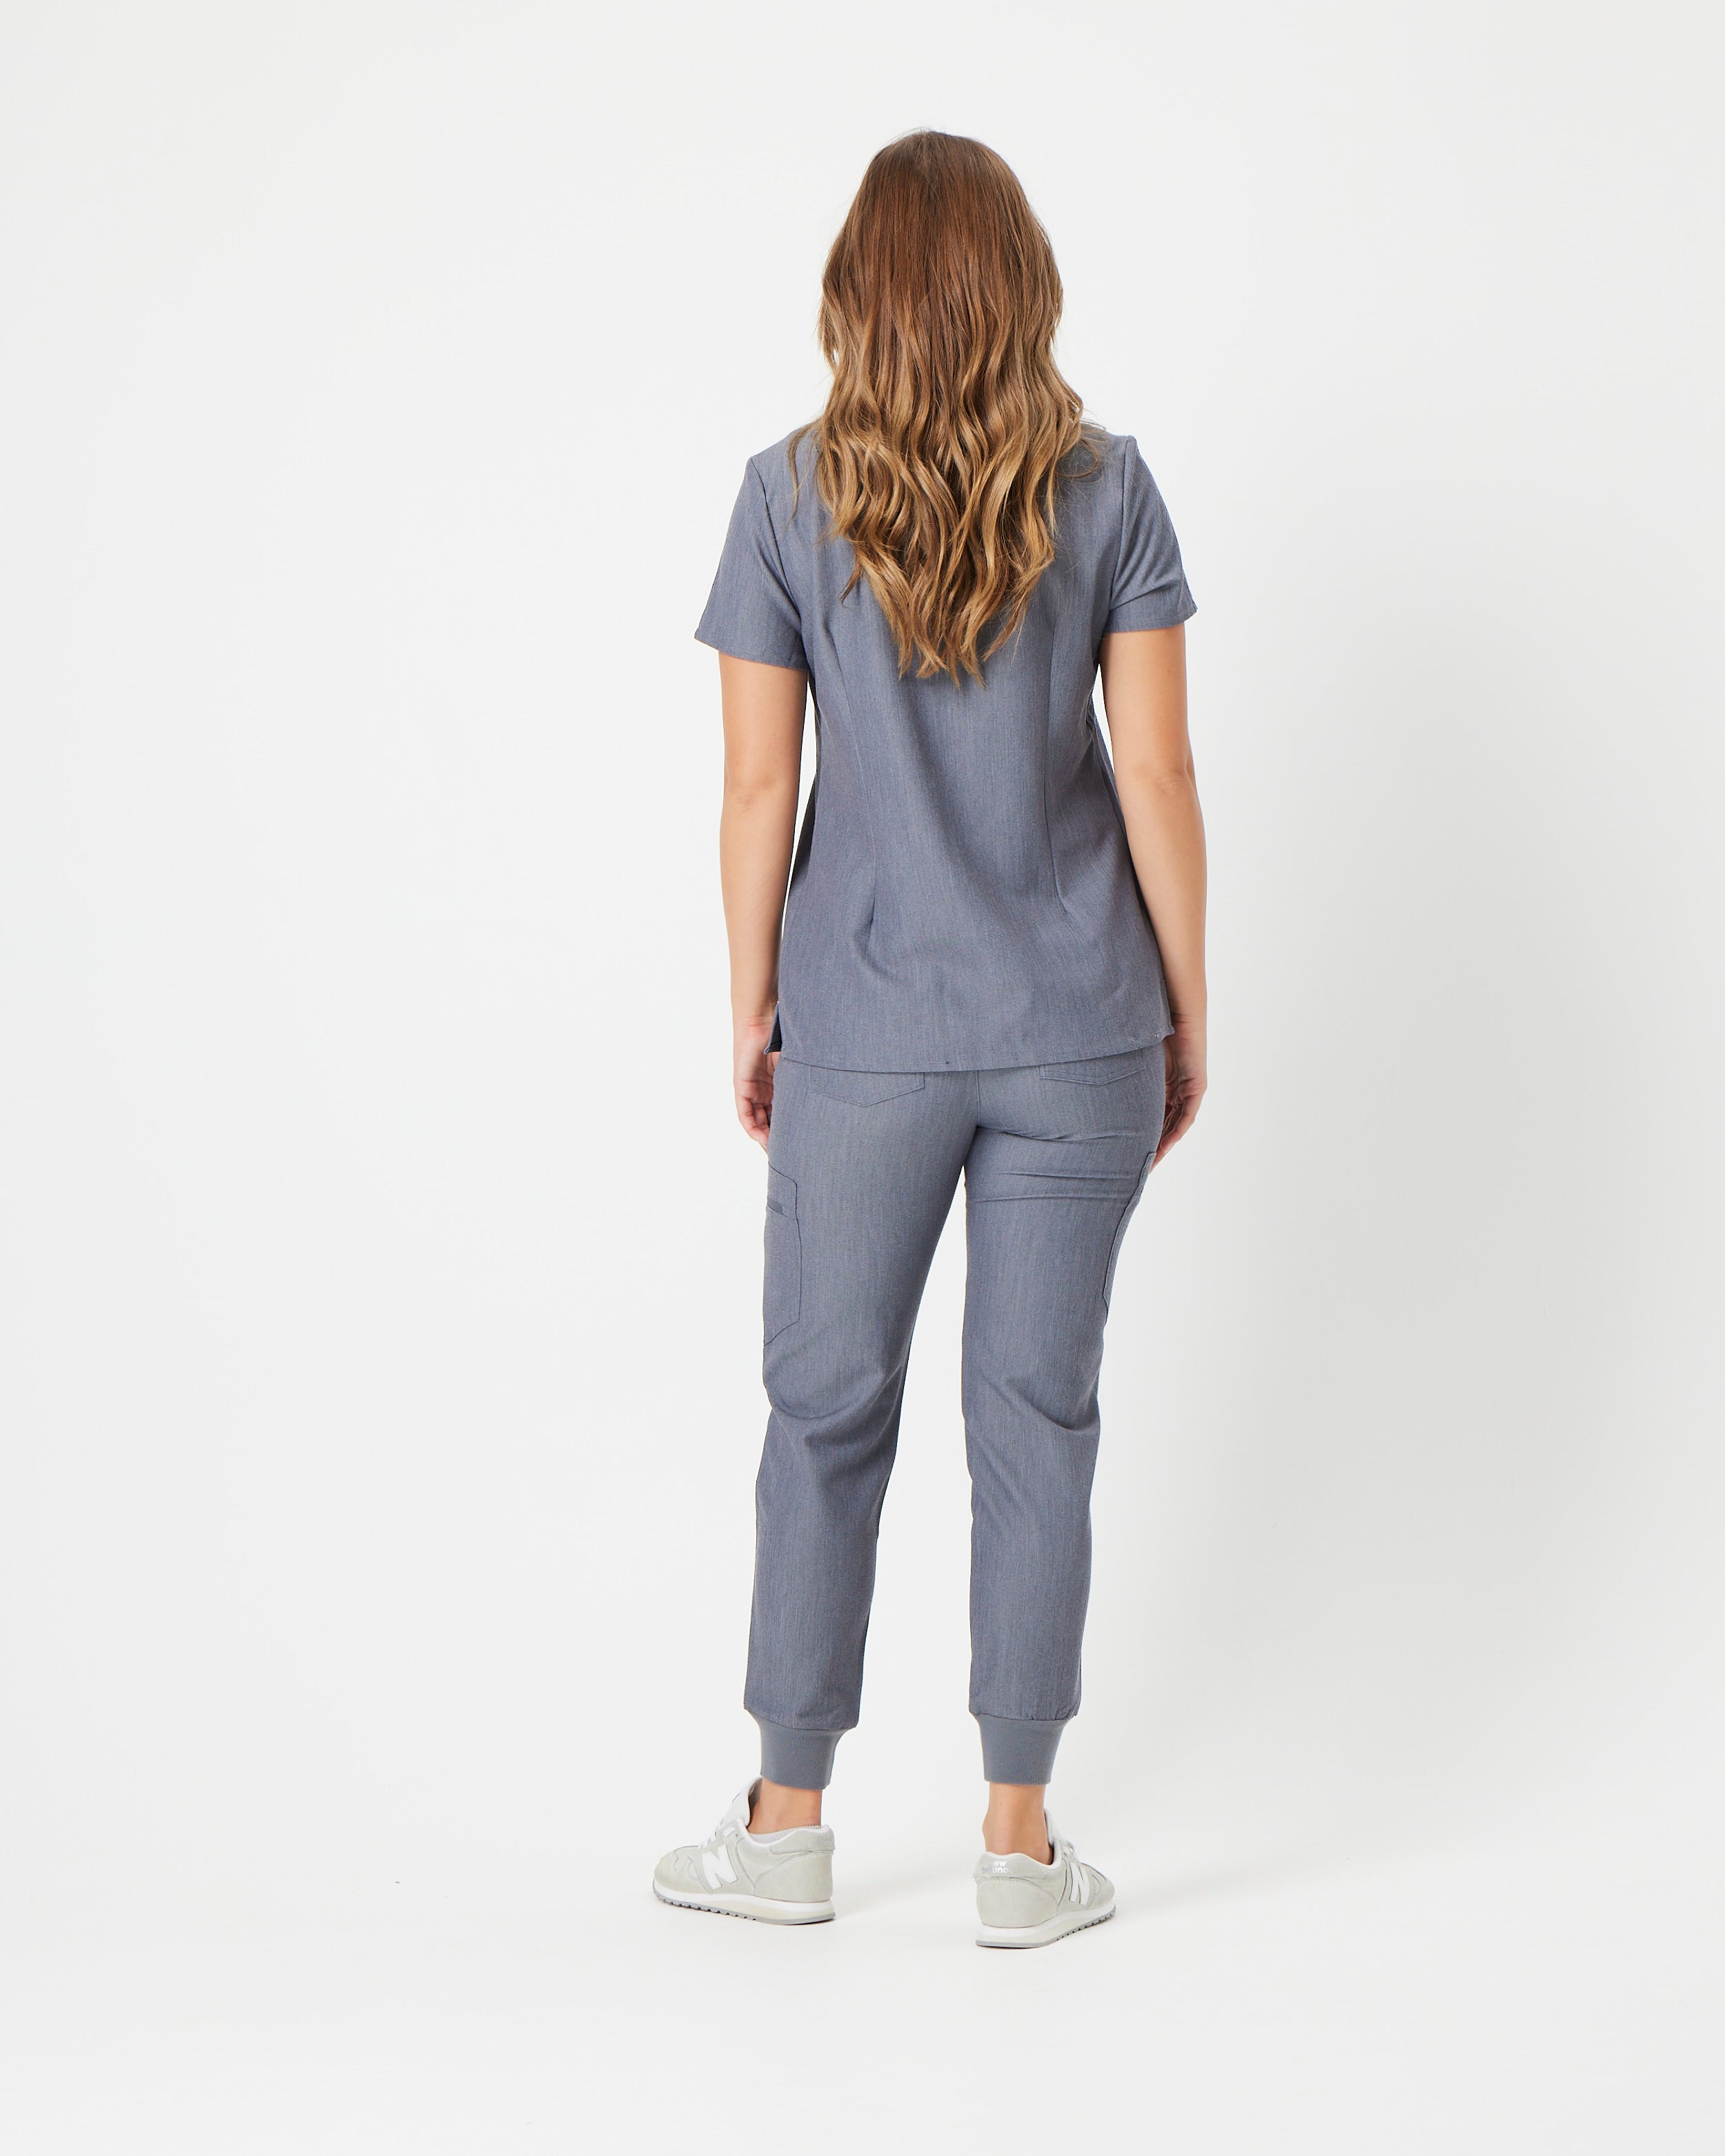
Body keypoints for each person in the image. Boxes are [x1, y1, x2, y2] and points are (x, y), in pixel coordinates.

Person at [653, 130, 1206, 1949]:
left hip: (865, 1029)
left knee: (824, 1415)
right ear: (1022, 285)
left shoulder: (784, 497)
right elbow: (1155, 773)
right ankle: (1019, 1853)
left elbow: (758, 790)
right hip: (1079, 1029)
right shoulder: (1108, 489)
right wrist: (1186, 1003)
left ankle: (785, 1828)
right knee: (1037, 1423)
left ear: (856, 295)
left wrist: (755, 1001)